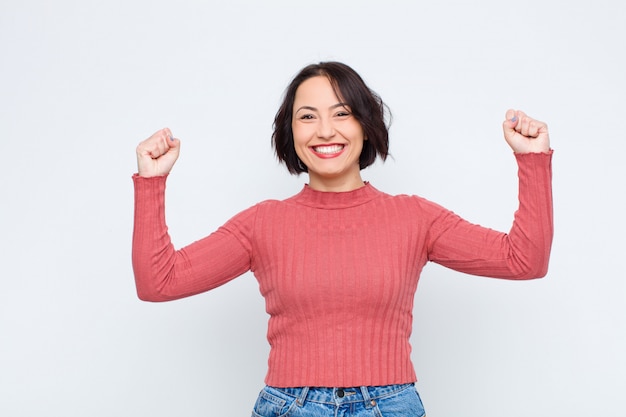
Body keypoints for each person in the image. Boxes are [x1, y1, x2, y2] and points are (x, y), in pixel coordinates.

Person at [132, 61, 553, 416]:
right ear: (291, 133)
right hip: (290, 406)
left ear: (366, 126)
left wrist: (531, 159)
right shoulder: (262, 223)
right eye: (308, 116)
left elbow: (523, 261)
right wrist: (152, 183)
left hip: (391, 404)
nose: (325, 130)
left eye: (342, 113)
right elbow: (159, 282)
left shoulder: (413, 216)